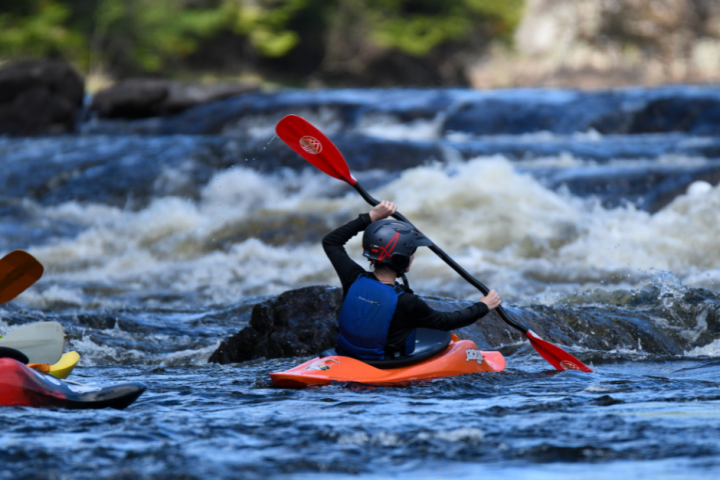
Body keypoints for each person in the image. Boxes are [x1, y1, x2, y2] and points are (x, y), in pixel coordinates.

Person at [322, 200, 502, 360]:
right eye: (411, 253)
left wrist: (370, 217)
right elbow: (446, 322)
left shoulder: (352, 277)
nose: (413, 258)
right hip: (381, 363)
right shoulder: (407, 302)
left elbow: (331, 241)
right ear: (400, 260)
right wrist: (483, 306)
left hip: (346, 354)